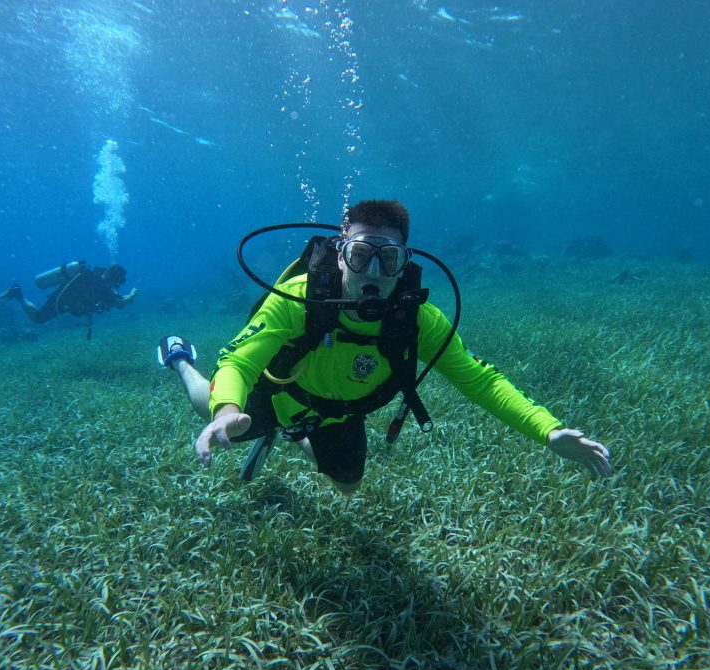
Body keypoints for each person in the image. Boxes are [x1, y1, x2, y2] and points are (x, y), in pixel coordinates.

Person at [159, 199, 611, 495]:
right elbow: (239, 360)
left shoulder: (417, 320)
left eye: (388, 258)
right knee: (212, 410)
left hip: (339, 410)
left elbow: (480, 380)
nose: (373, 270)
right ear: (340, 255)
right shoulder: (298, 298)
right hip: (278, 391)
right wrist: (225, 412)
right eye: (360, 255)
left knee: (348, 485)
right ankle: (179, 359)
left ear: (404, 264)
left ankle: (295, 436)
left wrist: (546, 430)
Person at [0, 261, 137, 325]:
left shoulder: (97, 278)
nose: (118, 285)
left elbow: (113, 298)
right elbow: (119, 304)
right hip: (62, 301)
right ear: (112, 278)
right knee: (38, 318)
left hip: (68, 301)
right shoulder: (101, 286)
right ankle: (18, 294)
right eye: (118, 281)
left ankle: (17, 294)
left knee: (40, 318)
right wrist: (133, 294)